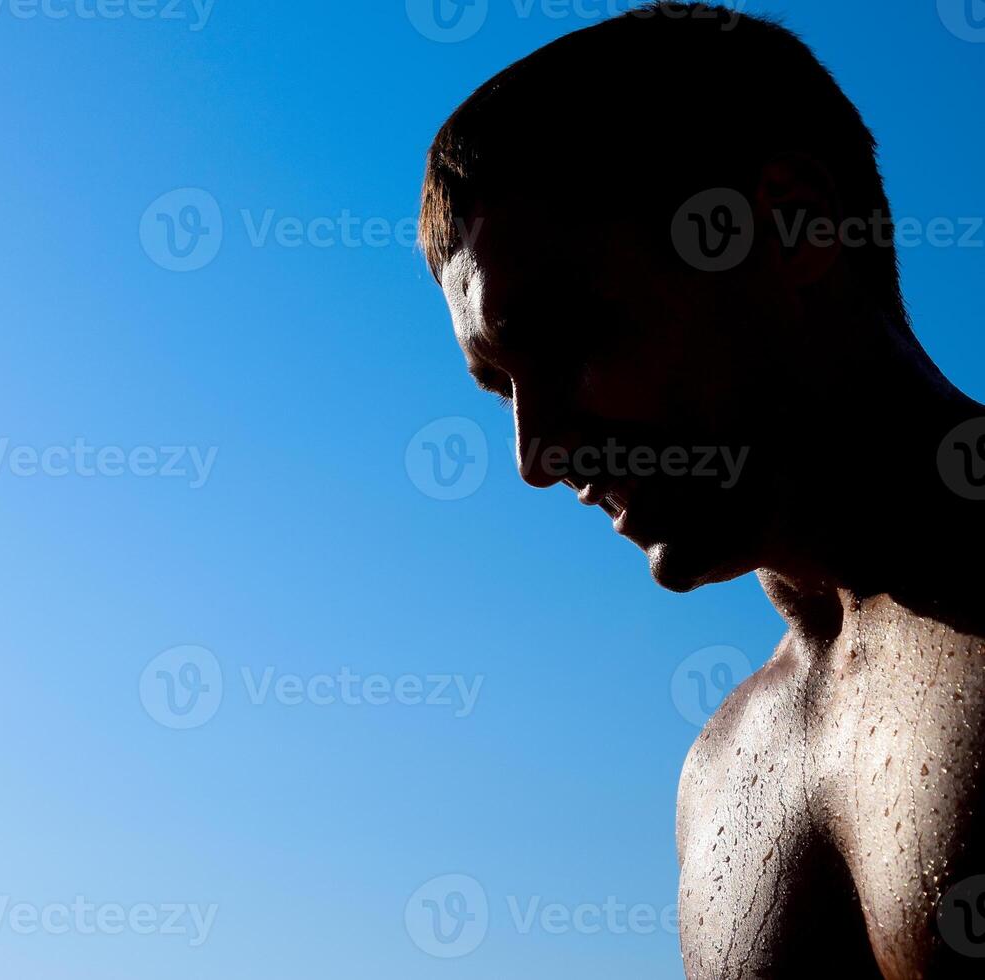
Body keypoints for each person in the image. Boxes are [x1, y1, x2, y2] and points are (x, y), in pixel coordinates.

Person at [417, 4, 985, 975]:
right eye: (502, 387)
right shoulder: (722, 767)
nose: (537, 451)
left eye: (567, 337)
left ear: (797, 224)